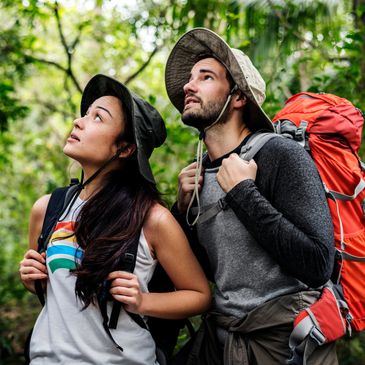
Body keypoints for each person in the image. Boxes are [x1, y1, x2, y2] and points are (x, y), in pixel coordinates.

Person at [165, 28, 337, 364]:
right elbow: (204, 276)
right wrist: (182, 211)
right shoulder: (200, 176)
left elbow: (317, 264)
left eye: (206, 77)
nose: (188, 85)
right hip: (223, 337)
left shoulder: (280, 154)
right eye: (189, 78)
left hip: (284, 343)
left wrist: (245, 193)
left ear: (239, 97)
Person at [19, 74, 211, 365]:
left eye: (98, 118)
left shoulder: (151, 218)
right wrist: (32, 278)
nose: (79, 122)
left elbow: (199, 295)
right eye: (85, 114)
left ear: (124, 148)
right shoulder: (47, 209)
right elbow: (54, 292)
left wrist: (144, 301)